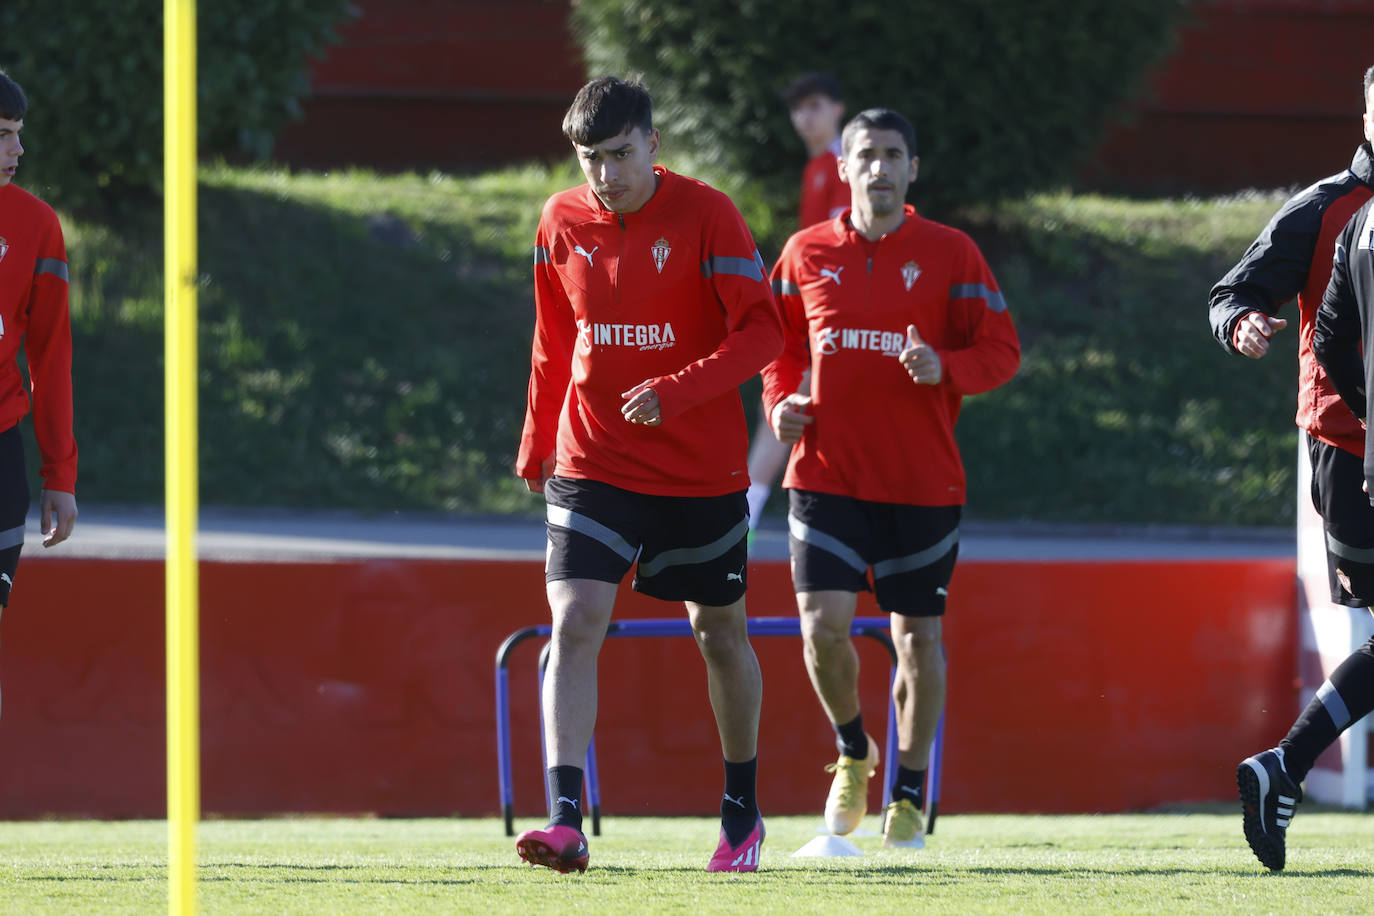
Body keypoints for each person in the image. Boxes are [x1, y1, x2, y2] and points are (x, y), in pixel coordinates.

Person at [513, 76, 783, 874]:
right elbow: (551, 341)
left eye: (621, 154)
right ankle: (564, 818)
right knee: (574, 621)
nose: (606, 174)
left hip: (700, 473)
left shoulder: (710, 215)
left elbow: (763, 332)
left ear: (655, 146)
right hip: (591, 460)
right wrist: (537, 444)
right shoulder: (560, 220)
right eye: (590, 159)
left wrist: (679, 390)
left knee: (719, 634)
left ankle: (741, 813)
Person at [762, 108, 1019, 848]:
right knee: (821, 629)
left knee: (917, 641)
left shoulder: (952, 253)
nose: (879, 167)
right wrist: (782, 402)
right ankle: (852, 749)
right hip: (825, 476)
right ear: (841, 169)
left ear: (913, 169)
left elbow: (1001, 351)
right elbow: (775, 347)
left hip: (922, 483)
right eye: (865, 154)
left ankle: (906, 790)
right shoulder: (805, 252)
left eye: (893, 154)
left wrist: (949, 368)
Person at [1209, 65, 1374, 873]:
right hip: (1351, 452)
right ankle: (1287, 764)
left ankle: (1283, 766)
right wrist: (1242, 320)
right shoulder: (1324, 209)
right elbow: (1233, 291)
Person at [0, 69, 78, 716]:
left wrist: (61, 473)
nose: (17, 151)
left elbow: (52, 356)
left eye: (18, 135)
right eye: (3, 136)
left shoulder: (36, 225)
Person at [745, 73, 849, 533]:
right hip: (809, 304)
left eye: (816, 105)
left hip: (828, 310)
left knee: (791, 400)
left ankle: (743, 516)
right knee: (790, 400)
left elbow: (841, 246)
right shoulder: (817, 165)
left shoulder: (845, 163)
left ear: (838, 108)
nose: (806, 117)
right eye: (799, 108)